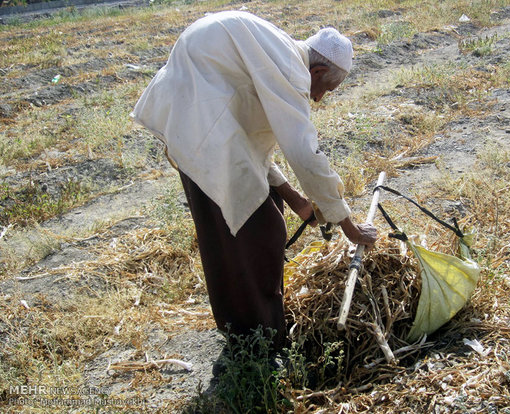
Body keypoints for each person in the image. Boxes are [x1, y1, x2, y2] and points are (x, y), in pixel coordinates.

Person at [131, 11, 377, 352]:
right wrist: (349, 226)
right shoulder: (290, 72)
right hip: (201, 125)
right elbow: (305, 154)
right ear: (317, 72)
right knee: (259, 233)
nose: (319, 98)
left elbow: (251, 138)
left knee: (241, 228)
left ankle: (252, 328)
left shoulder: (277, 56)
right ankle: (258, 342)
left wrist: (296, 200)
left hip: (199, 117)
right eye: (326, 89)